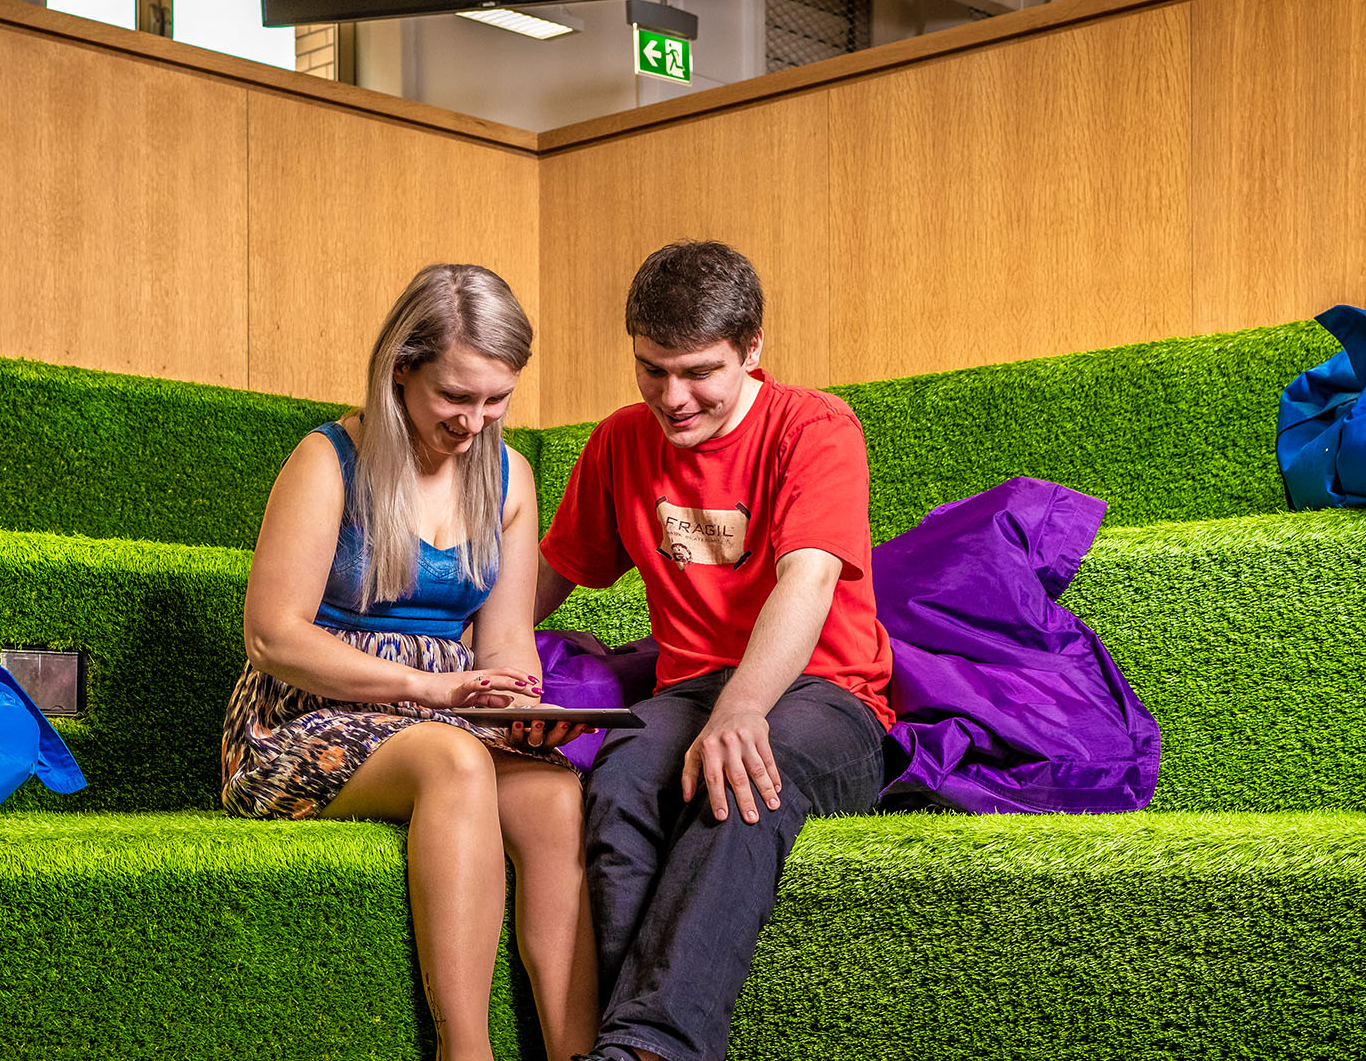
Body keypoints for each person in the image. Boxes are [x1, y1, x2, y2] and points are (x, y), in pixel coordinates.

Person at [224, 263, 597, 1061]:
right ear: (402, 368)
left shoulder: (508, 476)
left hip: (447, 707)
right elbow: (272, 636)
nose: (476, 420)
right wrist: (432, 689)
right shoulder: (328, 460)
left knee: (554, 795)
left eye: (496, 399)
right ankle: (464, 1053)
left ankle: (579, 1052)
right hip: (305, 717)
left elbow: (503, 643)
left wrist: (518, 709)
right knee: (456, 763)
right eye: (455, 397)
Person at [535, 241, 894, 1061]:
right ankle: (624, 1046)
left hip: (828, 695)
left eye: (699, 372)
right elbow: (552, 574)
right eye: (652, 370)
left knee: (740, 774)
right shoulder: (622, 442)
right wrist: (466, 667)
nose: (674, 397)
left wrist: (740, 712)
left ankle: (653, 1047)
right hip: (691, 689)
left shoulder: (815, 426)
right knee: (622, 771)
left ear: (753, 348)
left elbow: (805, 582)